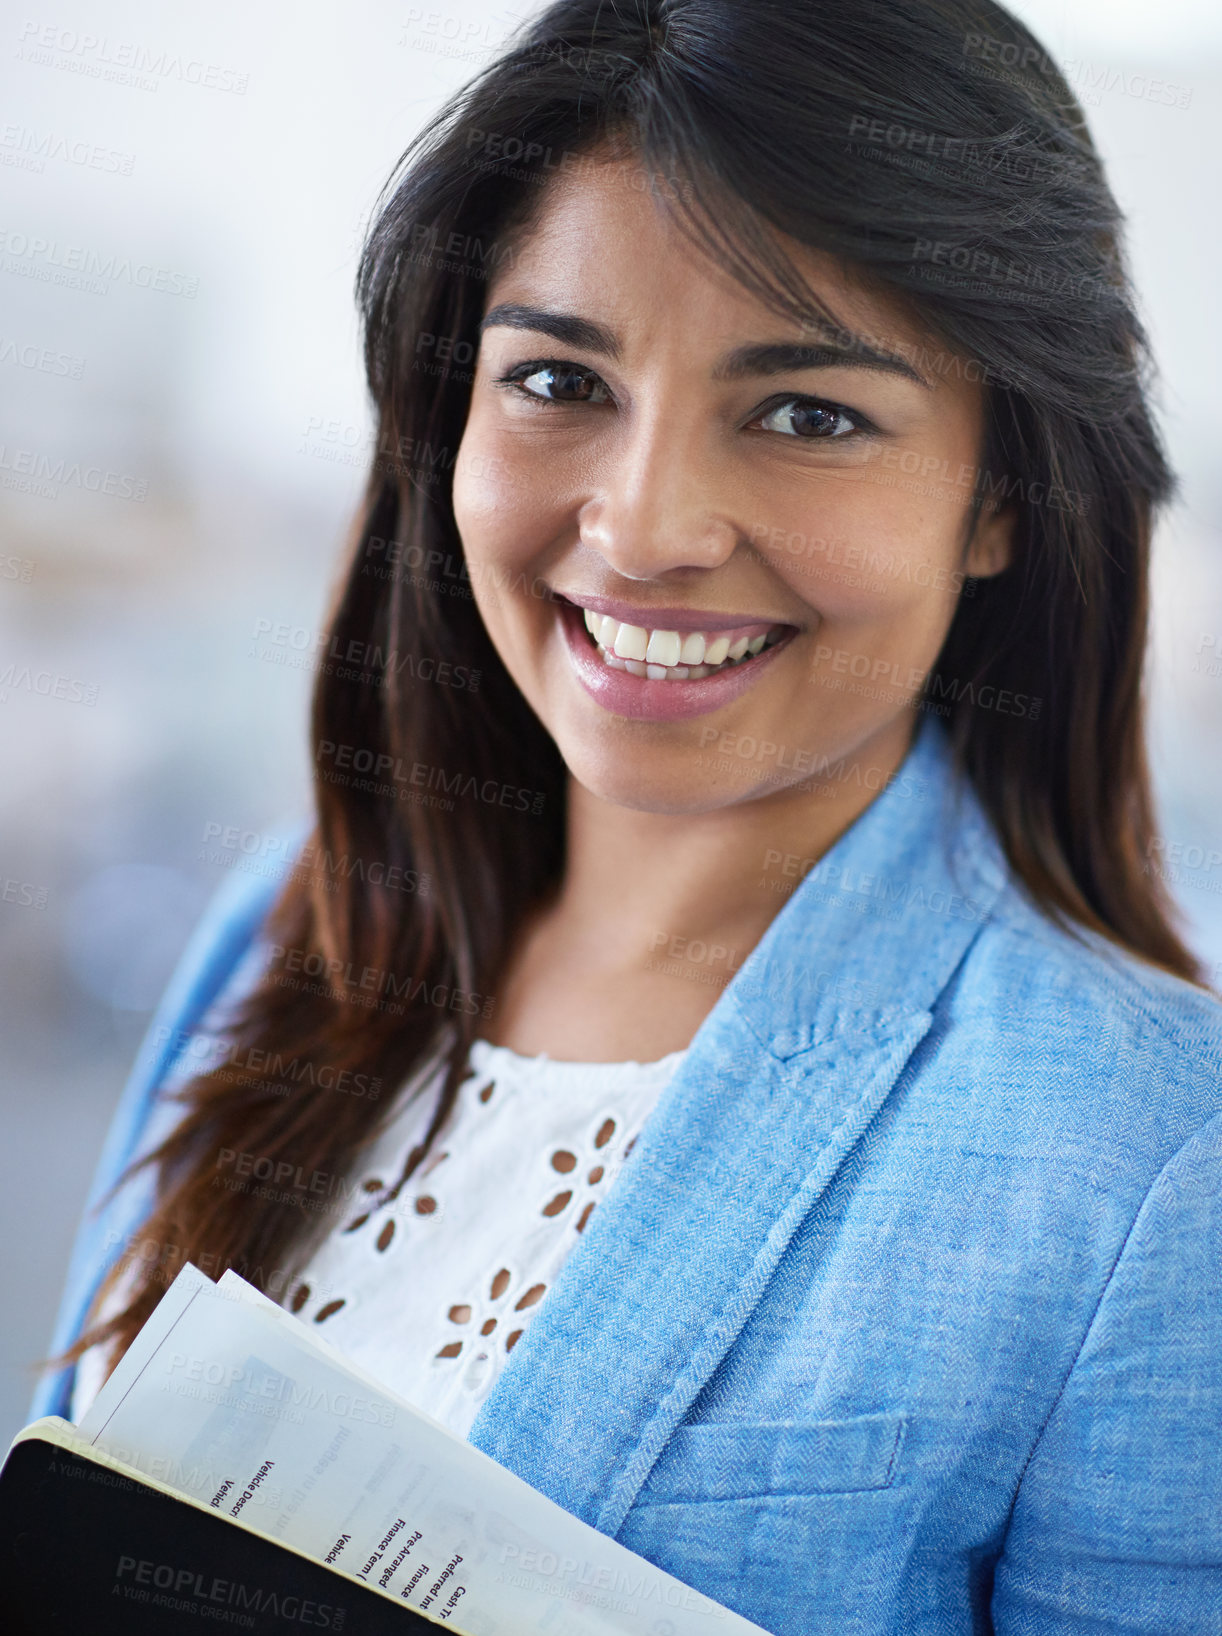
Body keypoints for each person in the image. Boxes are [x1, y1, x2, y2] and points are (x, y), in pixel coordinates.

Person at [38, 0, 1222, 1629]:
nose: (647, 523)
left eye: (805, 412)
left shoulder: (1153, 1156)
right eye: (555, 379)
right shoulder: (288, 923)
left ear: (1000, 497)